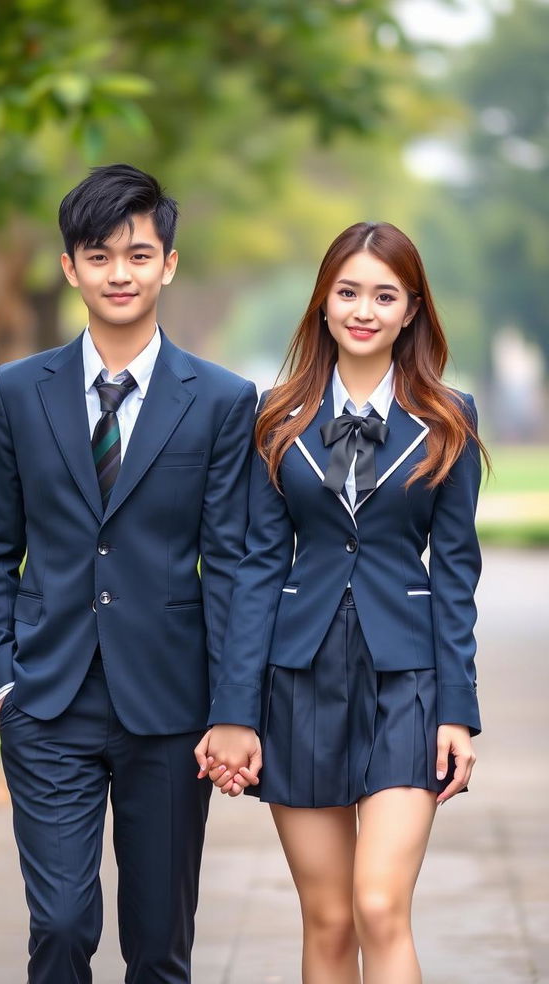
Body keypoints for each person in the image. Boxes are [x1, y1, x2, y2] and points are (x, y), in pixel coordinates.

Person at [0, 163, 256, 984]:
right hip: (47, 701)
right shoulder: (17, 391)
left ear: (168, 263)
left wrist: (233, 708)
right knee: (58, 927)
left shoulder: (224, 400)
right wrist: (1, 680)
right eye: (98, 256)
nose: (118, 273)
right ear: (69, 268)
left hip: (169, 707)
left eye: (137, 254)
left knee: (159, 947)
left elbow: (232, 562)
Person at [195, 221, 488, 983]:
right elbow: (258, 565)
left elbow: (456, 573)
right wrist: (234, 711)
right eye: (348, 291)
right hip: (300, 679)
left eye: (384, 295)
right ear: (323, 303)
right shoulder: (277, 415)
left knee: (380, 905)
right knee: (327, 921)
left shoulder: (450, 417)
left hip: (409, 680)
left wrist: (459, 709)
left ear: (411, 309)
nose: (364, 309)